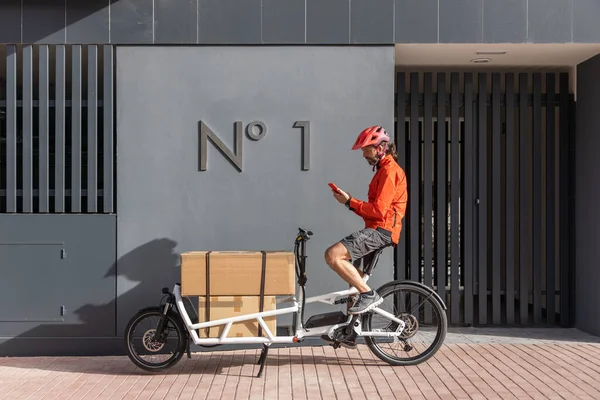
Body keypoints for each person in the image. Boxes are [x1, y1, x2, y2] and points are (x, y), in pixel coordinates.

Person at [323, 125, 408, 347]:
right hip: (378, 228)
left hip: (380, 230)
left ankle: (369, 295)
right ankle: (350, 332)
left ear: (380, 148)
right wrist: (350, 202)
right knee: (354, 281)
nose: (363, 154)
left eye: (366, 149)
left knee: (333, 256)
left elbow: (379, 211)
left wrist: (350, 202)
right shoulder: (383, 170)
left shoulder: (390, 172)